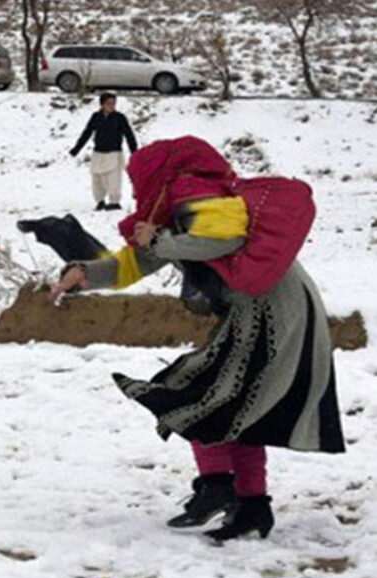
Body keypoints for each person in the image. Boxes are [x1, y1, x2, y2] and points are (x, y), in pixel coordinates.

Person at [50, 137, 344, 542]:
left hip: (275, 311)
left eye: (138, 179)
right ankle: (251, 507)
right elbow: (138, 261)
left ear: (157, 174)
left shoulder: (198, 196)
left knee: (198, 395)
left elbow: (220, 241)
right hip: (257, 311)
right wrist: (85, 273)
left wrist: (157, 239)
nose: (137, 188)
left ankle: (217, 487)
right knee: (236, 409)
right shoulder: (173, 208)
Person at [69, 93, 138, 212]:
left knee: (113, 179)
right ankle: (100, 200)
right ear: (102, 104)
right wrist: (76, 149)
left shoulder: (119, 118)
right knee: (97, 178)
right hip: (98, 153)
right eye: (109, 104)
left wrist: (135, 152)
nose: (111, 106)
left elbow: (129, 135)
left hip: (114, 153)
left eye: (113, 104)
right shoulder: (96, 117)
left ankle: (114, 201)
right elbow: (87, 133)